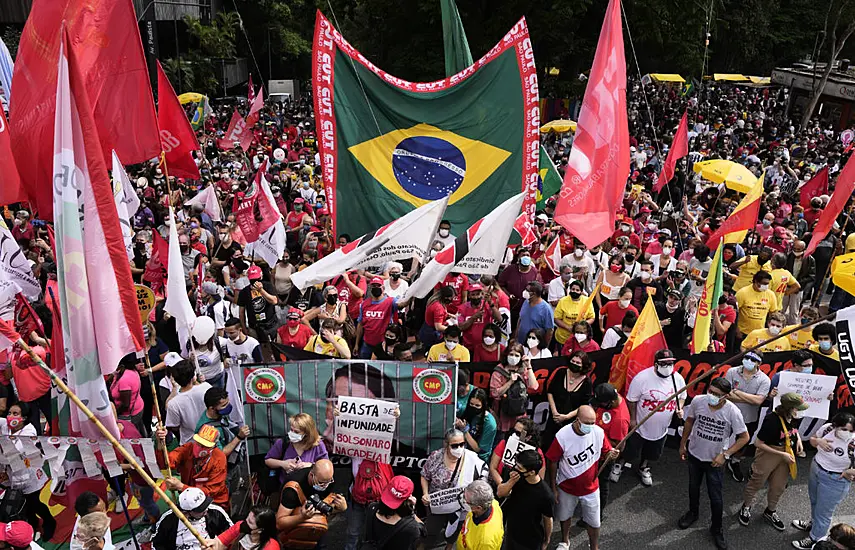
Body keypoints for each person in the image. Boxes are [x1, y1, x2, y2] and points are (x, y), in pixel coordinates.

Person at [678, 377, 750, 550]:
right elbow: (690, 421)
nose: (712, 396)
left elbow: (744, 437)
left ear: (725, 396)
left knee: (715, 497)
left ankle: (716, 529)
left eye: (717, 394)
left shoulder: (732, 411)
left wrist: (725, 455)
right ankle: (692, 513)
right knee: (693, 487)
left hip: (715, 461)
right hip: (695, 455)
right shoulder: (698, 401)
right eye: (710, 391)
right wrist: (682, 444)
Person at [547, 405, 619, 550]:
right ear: (577, 420)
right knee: (564, 516)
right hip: (566, 487)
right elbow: (552, 461)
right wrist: (553, 488)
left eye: (593, 422)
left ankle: (594, 547)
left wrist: (611, 455)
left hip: (591, 488)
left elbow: (607, 452)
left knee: (594, 522)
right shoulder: (562, 436)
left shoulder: (598, 432)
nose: (591, 426)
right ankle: (565, 541)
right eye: (588, 423)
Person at [739, 393, 808, 531]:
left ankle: (770, 511)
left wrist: (798, 440)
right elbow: (758, 443)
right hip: (770, 453)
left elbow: (793, 430)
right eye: (797, 408)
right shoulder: (772, 420)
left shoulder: (793, 417)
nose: (799, 411)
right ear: (789, 408)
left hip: (785, 453)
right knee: (757, 481)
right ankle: (746, 506)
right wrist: (781, 454)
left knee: (779, 486)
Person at [617, 349, 685, 486]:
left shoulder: (677, 379)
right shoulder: (642, 378)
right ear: (655, 364)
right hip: (640, 426)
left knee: (653, 452)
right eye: (663, 364)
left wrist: (680, 408)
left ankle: (644, 467)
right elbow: (631, 400)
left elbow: (682, 396)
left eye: (670, 363)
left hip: (662, 428)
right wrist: (633, 419)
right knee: (630, 449)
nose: (667, 367)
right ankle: (620, 464)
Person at [791, 412, 855, 549]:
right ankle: (814, 525)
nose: (847, 433)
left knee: (824, 512)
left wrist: (850, 471)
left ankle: (816, 538)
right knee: (814, 501)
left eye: (851, 430)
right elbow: (813, 439)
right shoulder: (827, 429)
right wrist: (818, 441)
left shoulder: (853, 443)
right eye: (844, 429)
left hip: (835, 479)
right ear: (835, 426)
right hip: (817, 469)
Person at [420, 429, 487, 548]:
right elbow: (424, 476)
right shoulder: (436, 457)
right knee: (429, 534)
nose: (459, 448)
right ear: (446, 444)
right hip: (437, 506)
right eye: (455, 445)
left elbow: (484, 472)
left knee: (453, 535)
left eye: (462, 444)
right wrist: (425, 493)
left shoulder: (471, 458)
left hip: (460, 508)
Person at [0, 404, 54, 542]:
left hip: (28, 473)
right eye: (10, 413)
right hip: (11, 473)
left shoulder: (29, 431)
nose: (11, 416)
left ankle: (49, 522)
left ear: (23, 417)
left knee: (34, 503)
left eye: (16, 413)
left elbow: (13, 453)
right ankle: (33, 525)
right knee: (22, 503)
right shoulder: (5, 426)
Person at [723, 349, 772, 483]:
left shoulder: (764, 380)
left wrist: (737, 392)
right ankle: (716, 456)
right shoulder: (732, 372)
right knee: (721, 436)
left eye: (753, 360)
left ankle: (735, 461)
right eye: (747, 358)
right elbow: (727, 394)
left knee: (743, 441)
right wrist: (749, 398)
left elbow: (758, 401)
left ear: (759, 363)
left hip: (749, 418)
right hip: (727, 414)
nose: (749, 362)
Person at [275, 459, 347, 548]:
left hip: (314, 532)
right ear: (311, 475)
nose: (325, 486)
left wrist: (339, 509)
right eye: (321, 483)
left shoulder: (328, 479)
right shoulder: (293, 488)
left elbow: (325, 510)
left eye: (329, 482)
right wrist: (302, 517)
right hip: (292, 533)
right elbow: (279, 523)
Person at [156, 424, 230, 511]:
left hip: (212, 502)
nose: (199, 447)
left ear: (213, 447)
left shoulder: (219, 459)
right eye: (198, 443)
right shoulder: (188, 448)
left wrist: (181, 487)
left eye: (204, 446)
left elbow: (211, 491)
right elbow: (166, 463)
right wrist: (160, 443)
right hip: (188, 500)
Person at [496, 449, 554, 550]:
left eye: (520, 468)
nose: (516, 468)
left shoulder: (545, 494)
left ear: (531, 472)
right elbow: (500, 493)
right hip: (511, 533)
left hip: (530, 540)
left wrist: (547, 540)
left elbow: (548, 519)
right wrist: (511, 481)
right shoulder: (516, 477)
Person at [264, 413, 329, 491]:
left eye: (297, 432)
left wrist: (311, 465)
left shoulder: (318, 445)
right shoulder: (283, 443)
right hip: (287, 488)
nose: (292, 433)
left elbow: (326, 467)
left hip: (310, 488)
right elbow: (268, 460)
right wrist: (283, 464)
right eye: (291, 430)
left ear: (307, 433)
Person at [152, 487, 232, 550]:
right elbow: (156, 544)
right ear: (186, 513)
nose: (206, 510)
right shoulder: (168, 519)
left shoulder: (216, 512)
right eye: (200, 509)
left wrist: (219, 546)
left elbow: (231, 533)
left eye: (205, 504)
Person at [360, 476, 425, 550]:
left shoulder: (372, 508)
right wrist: (411, 510)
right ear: (408, 499)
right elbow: (423, 532)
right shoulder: (411, 527)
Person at [489, 344, 538, 437]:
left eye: (516, 355)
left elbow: (534, 386)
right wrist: (510, 382)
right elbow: (494, 393)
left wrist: (529, 366)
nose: (513, 358)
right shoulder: (499, 371)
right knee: (501, 440)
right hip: (503, 413)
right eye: (511, 355)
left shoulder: (523, 370)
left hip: (519, 413)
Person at [545, 350, 593, 442]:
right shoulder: (561, 373)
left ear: (584, 365)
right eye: (573, 361)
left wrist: (567, 416)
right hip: (554, 418)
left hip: (571, 422)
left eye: (578, 363)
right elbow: (550, 392)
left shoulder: (587, 383)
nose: (574, 364)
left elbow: (584, 405)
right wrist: (554, 412)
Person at [195, 386, 251, 460]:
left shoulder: (219, 414)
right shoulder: (206, 431)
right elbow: (220, 454)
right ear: (212, 408)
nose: (228, 406)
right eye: (224, 405)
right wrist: (239, 437)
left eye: (228, 402)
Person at [165, 359, 213, 444]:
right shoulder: (206, 387)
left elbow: (174, 426)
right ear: (193, 376)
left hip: (189, 443)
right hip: (211, 437)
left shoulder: (173, 403)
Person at [489, 417, 546, 485]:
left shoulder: (537, 453)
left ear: (528, 437)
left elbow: (540, 479)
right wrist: (503, 486)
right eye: (514, 431)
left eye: (518, 433)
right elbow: (493, 467)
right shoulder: (504, 443)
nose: (514, 434)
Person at [355, 277, 400, 359]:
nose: (375, 288)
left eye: (378, 286)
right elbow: (360, 324)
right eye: (373, 286)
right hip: (367, 344)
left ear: (383, 287)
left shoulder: (391, 302)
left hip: (383, 344)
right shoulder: (364, 304)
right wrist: (357, 344)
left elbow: (401, 305)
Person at [184, 316, 230, 389]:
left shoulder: (218, 342)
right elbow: (185, 360)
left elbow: (232, 344)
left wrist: (227, 359)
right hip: (199, 380)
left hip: (216, 378)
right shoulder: (190, 344)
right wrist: (191, 360)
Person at [456, 479, 504, 550]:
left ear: (478, 508)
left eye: (465, 500)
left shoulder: (486, 542)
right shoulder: (493, 503)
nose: (463, 500)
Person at [206, 506, 279, 550]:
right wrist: (211, 544)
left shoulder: (271, 547)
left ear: (260, 530)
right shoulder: (239, 526)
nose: (245, 522)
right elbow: (220, 542)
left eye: (250, 522)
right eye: (247, 518)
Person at [238, 265, 279, 343]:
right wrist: (244, 328)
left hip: (270, 324)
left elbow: (274, 301)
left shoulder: (268, 286)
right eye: (252, 280)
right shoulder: (244, 292)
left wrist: (261, 290)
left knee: (273, 347)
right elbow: (241, 312)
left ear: (261, 276)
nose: (255, 282)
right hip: (254, 327)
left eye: (256, 279)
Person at [455, 388, 497, 462]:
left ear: (483, 405)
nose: (473, 407)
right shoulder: (467, 411)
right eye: (471, 404)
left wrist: (465, 431)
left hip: (478, 460)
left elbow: (478, 449)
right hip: (462, 453)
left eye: (477, 405)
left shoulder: (490, 424)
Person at [109, 353, 147, 436]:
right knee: (139, 429)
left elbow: (125, 405)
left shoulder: (124, 379)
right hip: (138, 407)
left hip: (127, 415)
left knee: (130, 435)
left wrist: (112, 413)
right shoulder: (132, 371)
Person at [458, 283, 502, 352]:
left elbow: (499, 319)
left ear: (482, 294)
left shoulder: (487, 305)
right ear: (469, 295)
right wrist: (473, 317)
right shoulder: (462, 308)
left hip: (485, 346)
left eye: (478, 294)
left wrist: (491, 303)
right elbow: (461, 327)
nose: (476, 297)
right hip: (468, 347)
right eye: (473, 295)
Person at [735, 270, 779, 339]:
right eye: (764, 283)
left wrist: (771, 329)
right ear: (756, 281)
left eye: (767, 284)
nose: (766, 286)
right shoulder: (742, 293)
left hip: (760, 333)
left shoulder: (770, 294)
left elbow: (773, 313)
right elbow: (735, 312)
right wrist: (737, 330)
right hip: (743, 332)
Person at [553, 279, 595, 350]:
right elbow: (556, 318)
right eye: (573, 289)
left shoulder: (587, 301)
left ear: (581, 292)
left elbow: (592, 318)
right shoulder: (563, 301)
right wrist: (568, 327)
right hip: (564, 337)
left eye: (577, 290)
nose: (574, 291)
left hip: (581, 338)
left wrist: (581, 326)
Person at [515, 281, 553, 346]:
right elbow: (520, 319)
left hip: (534, 345)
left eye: (527, 290)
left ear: (534, 294)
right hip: (520, 343)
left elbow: (549, 330)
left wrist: (544, 346)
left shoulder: (546, 309)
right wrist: (516, 336)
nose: (525, 291)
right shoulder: (526, 302)